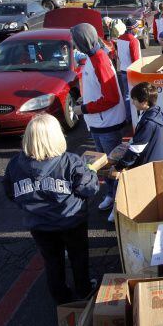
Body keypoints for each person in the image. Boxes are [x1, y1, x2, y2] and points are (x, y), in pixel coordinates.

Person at [3, 114, 99, 304]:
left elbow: (10, 192)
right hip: (71, 220)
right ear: (57, 136)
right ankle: (84, 289)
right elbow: (89, 188)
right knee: (78, 256)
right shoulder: (70, 161)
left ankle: (61, 296)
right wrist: (91, 172)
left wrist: (31, 205)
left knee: (52, 261)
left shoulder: (15, 164)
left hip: (39, 224)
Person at [71, 23, 126, 217]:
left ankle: (119, 204)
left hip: (107, 123)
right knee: (104, 165)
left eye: (74, 39)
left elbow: (111, 98)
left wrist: (84, 108)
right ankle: (111, 195)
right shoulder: (93, 56)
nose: (73, 44)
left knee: (113, 166)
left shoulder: (99, 60)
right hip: (99, 122)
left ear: (82, 41)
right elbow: (98, 89)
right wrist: (84, 100)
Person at [108, 83, 163, 221]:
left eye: (134, 99)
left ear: (144, 102)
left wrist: (119, 166)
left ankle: (122, 213)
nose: (132, 102)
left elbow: (136, 150)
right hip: (153, 158)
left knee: (132, 187)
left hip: (146, 162)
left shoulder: (149, 122)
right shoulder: (154, 112)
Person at [116, 17, 141, 122]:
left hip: (123, 70)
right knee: (137, 94)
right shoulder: (133, 41)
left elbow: (118, 55)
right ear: (133, 28)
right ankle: (136, 117)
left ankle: (128, 117)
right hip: (132, 71)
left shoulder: (120, 38)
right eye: (137, 27)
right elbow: (136, 60)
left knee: (126, 95)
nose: (138, 29)